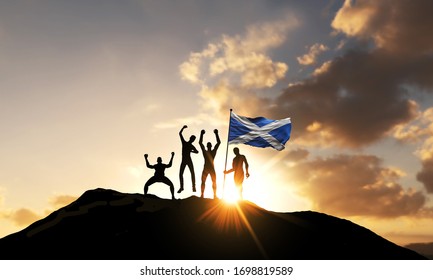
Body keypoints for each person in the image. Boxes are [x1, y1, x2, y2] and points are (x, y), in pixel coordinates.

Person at [199, 129, 221, 199]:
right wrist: (202, 134)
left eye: (209, 145)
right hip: (208, 168)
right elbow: (200, 143)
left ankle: (214, 195)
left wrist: (216, 134)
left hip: (210, 168)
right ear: (210, 146)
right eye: (208, 145)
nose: (209, 146)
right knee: (204, 181)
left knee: (212, 182)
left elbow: (218, 143)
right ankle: (203, 194)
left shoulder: (211, 152)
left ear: (210, 146)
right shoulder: (208, 152)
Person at [178, 125, 199, 193]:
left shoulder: (191, 145)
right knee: (181, 173)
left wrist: (191, 151)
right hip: (184, 160)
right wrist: (183, 128)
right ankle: (181, 187)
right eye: (192, 139)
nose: (192, 140)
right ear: (190, 138)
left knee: (192, 173)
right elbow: (180, 134)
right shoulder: (185, 143)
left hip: (188, 160)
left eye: (193, 139)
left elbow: (197, 151)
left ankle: (193, 187)